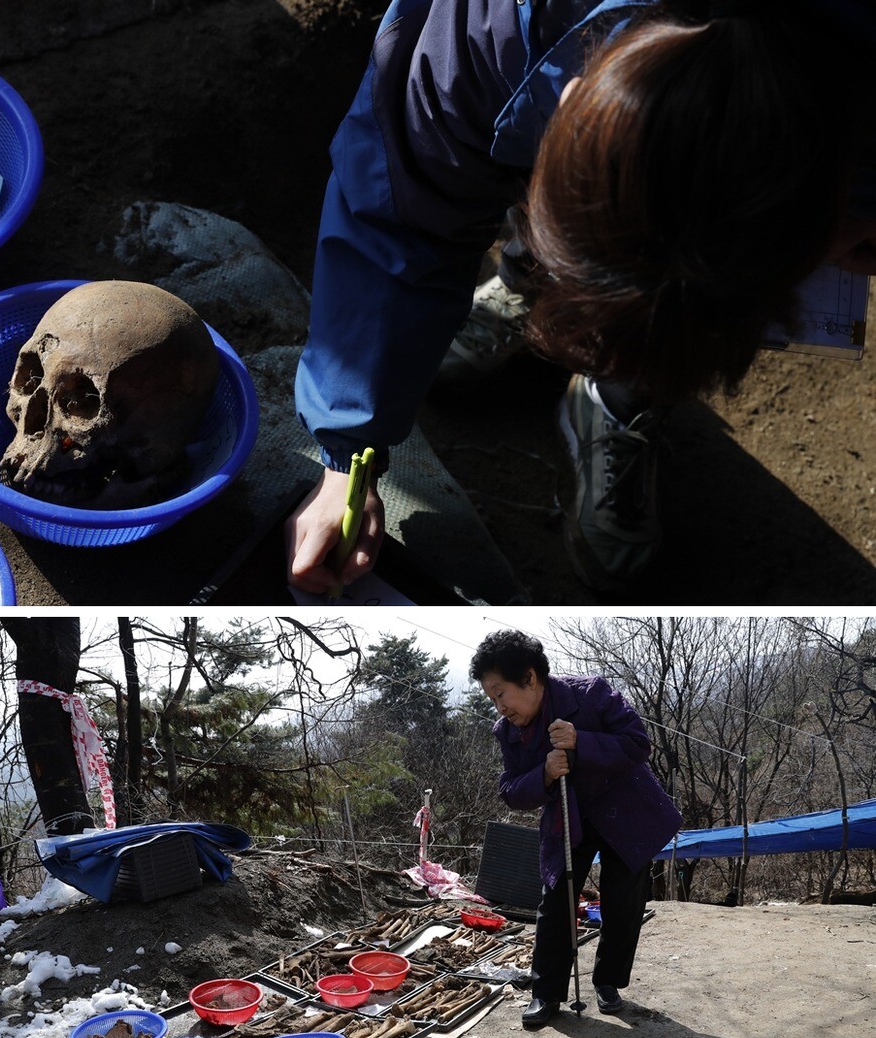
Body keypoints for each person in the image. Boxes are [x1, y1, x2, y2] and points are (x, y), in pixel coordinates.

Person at [286, 0, 876, 594]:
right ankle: (529, 281)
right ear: (571, 104)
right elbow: (400, 212)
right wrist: (348, 453)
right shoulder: (483, 38)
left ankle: (623, 395)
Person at [469, 628, 682, 1025]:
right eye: (491, 698)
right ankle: (546, 994)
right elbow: (511, 790)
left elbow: (637, 744)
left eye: (500, 693)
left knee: (623, 902)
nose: (499, 706)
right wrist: (545, 774)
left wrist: (581, 740)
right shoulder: (509, 732)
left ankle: (608, 982)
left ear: (529, 678)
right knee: (555, 903)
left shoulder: (590, 695)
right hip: (569, 819)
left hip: (625, 812)